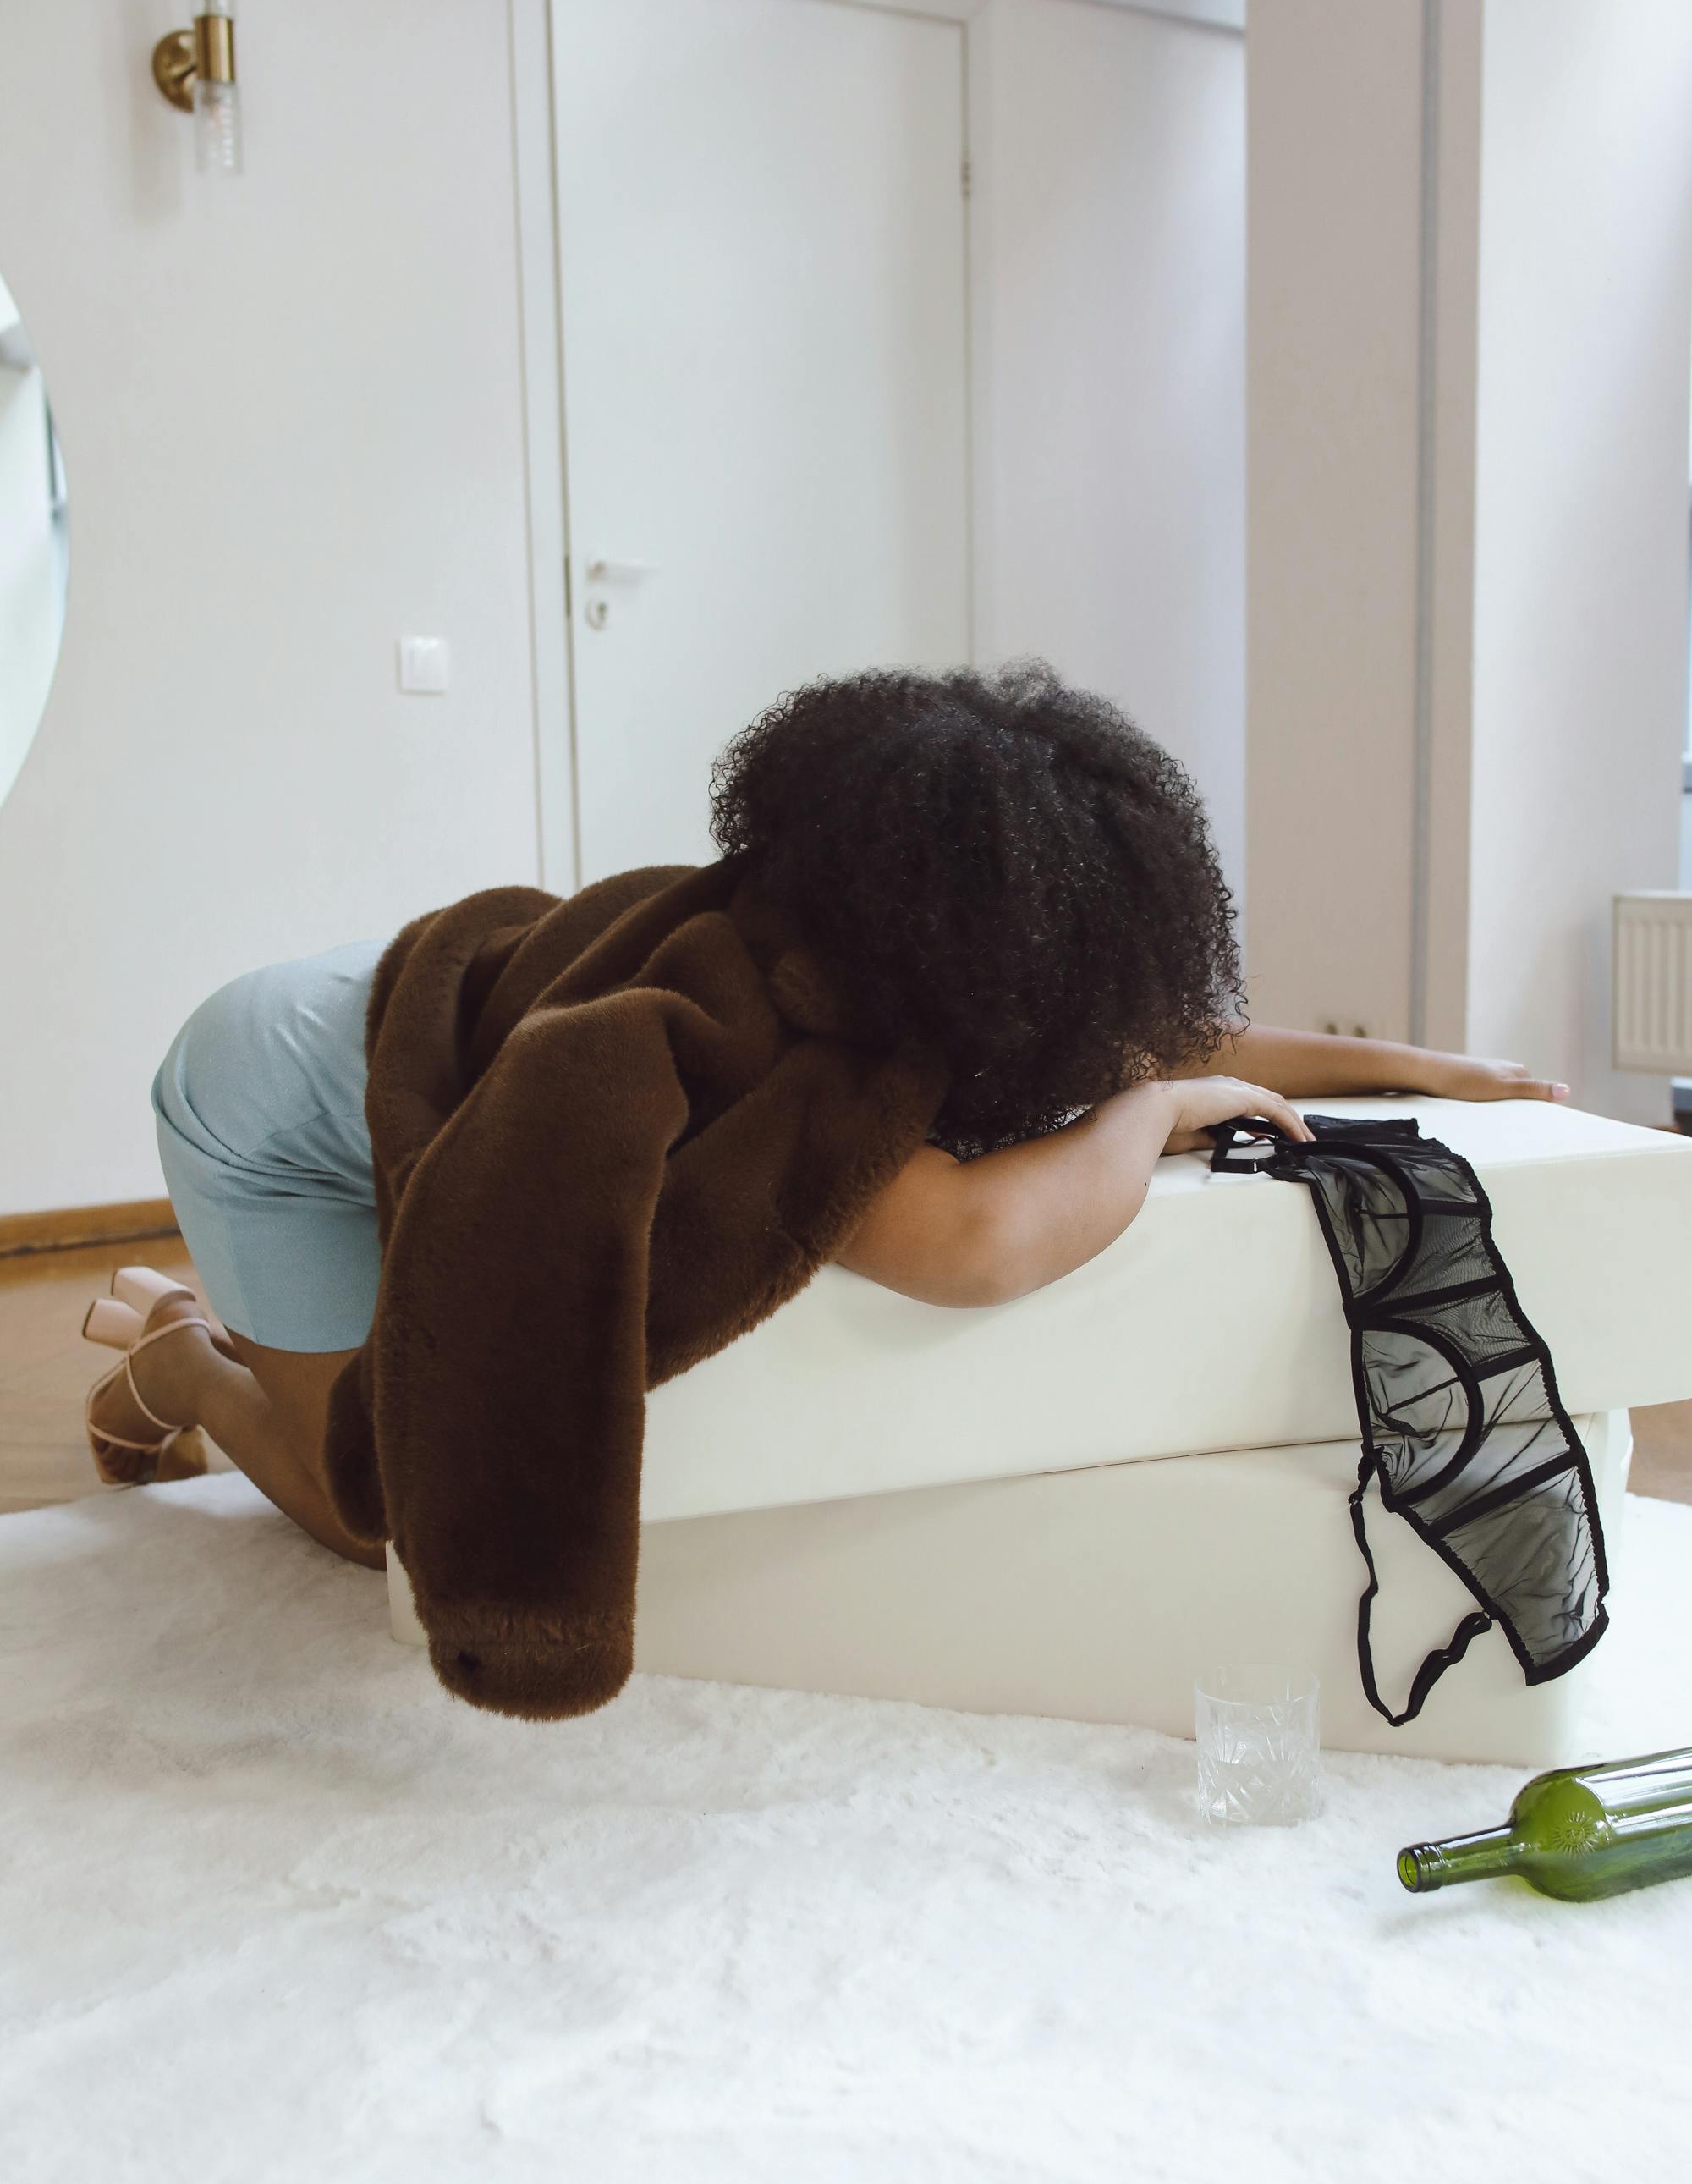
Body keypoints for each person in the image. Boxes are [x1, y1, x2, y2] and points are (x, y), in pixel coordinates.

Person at [80, 664, 1568, 1567]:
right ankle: (184, 1355)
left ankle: (216, 1339)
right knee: (375, 1515)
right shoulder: (785, 1049)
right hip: (268, 1102)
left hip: (411, 1017)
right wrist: (1159, 1110)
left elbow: (1137, 1021)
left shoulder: (886, 954)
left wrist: (1415, 1065)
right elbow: (980, 1245)